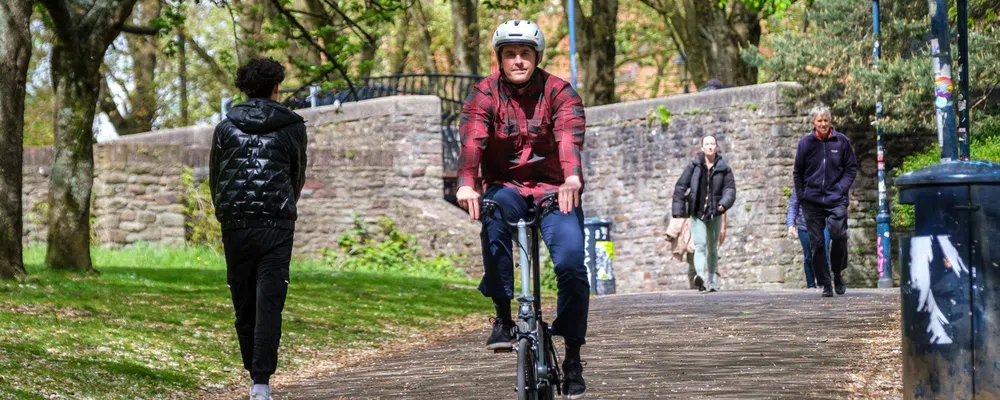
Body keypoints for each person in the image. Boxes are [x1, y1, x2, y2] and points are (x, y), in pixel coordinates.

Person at [455, 19, 589, 399]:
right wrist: (467, 181)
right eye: (510, 54)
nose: (518, 60)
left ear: (536, 58)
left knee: (571, 264)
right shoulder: (483, 94)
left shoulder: (560, 92)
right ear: (500, 58)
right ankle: (502, 317)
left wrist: (572, 178)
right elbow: (473, 140)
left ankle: (574, 357)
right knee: (493, 213)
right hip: (507, 188)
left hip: (555, 189)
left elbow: (568, 136)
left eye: (525, 54)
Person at [210, 57, 308, 400]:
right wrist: (284, 206)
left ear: (243, 88)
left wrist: (225, 212)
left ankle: (255, 374)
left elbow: (215, 177)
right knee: (270, 300)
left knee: (243, 300)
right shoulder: (293, 126)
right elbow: (297, 176)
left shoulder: (225, 127)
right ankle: (261, 383)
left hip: (236, 223)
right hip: (277, 224)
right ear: (276, 87)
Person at [793, 106, 858, 298]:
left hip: (835, 199)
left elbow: (851, 168)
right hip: (812, 200)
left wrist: (840, 188)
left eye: (826, 121)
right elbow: (798, 172)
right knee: (818, 244)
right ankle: (825, 283)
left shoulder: (842, 142)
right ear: (813, 122)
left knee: (838, 236)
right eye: (819, 121)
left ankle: (837, 273)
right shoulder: (805, 143)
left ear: (830, 122)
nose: (822, 124)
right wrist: (802, 194)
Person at [672, 135, 736, 292]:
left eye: (712, 144)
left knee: (713, 247)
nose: (710, 146)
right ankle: (699, 276)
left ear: (716, 147)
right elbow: (680, 187)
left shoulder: (724, 168)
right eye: (707, 144)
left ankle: (712, 279)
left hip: (715, 213)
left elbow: (730, 189)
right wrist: (678, 211)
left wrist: (724, 203)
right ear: (702, 148)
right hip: (697, 213)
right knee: (700, 245)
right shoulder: (694, 167)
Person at [785, 190, 831, 288]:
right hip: (804, 226)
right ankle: (811, 285)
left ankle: (825, 284)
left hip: (823, 224)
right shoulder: (799, 186)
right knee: (809, 256)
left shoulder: (824, 182)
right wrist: (790, 224)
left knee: (824, 252)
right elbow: (793, 206)